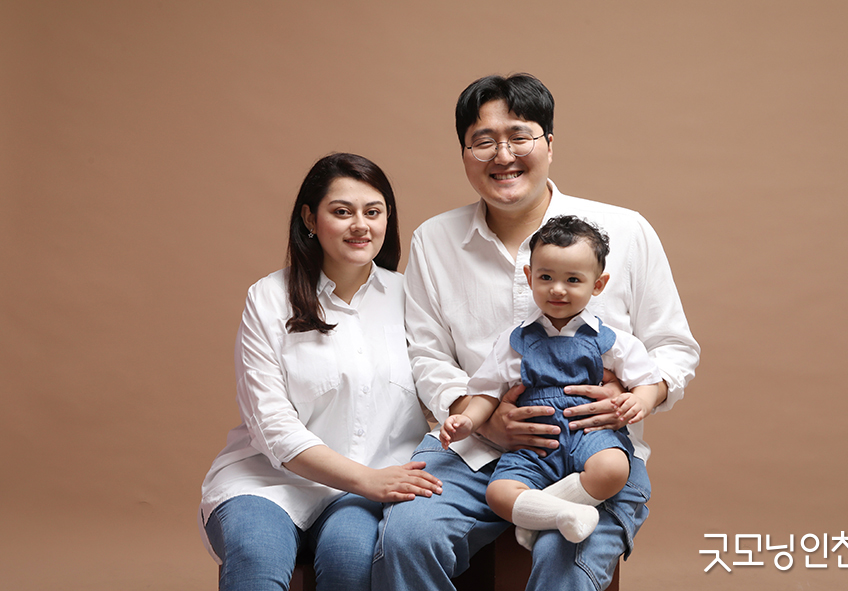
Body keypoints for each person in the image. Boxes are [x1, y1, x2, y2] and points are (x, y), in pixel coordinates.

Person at [371, 74, 700, 591]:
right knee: (408, 536)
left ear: (549, 143)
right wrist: (480, 418)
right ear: (464, 153)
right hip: (474, 453)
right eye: (483, 141)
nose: (503, 155)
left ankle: (555, 508)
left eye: (519, 136)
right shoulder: (434, 240)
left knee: (565, 557)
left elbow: (673, 347)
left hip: (592, 448)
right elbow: (427, 355)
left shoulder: (626, 231)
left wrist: (639, 395)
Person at [199, 152, 441, 591]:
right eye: (342, 212)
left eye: (373, 212)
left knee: (350, 558)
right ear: (310, 218)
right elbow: (272, 425)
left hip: (365, 491)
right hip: (270, 481)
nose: (360, 225)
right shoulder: (269, 297)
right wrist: (368, 479)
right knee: (256, 554)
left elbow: (442, 381)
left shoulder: (412, 297)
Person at [441, 215, 662, 551]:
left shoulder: (612, 340)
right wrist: (468, 421)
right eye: (546, 277)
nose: (557, 289)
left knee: (614, 469)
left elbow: (647, 380)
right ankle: (562, 513)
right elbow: (487, 391)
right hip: (533, 445)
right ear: (530, 277)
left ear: (598, 285)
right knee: (498, 493)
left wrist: (640, 401)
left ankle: (537, 514)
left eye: (573, 279)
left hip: (589, 435)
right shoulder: (514, 341)